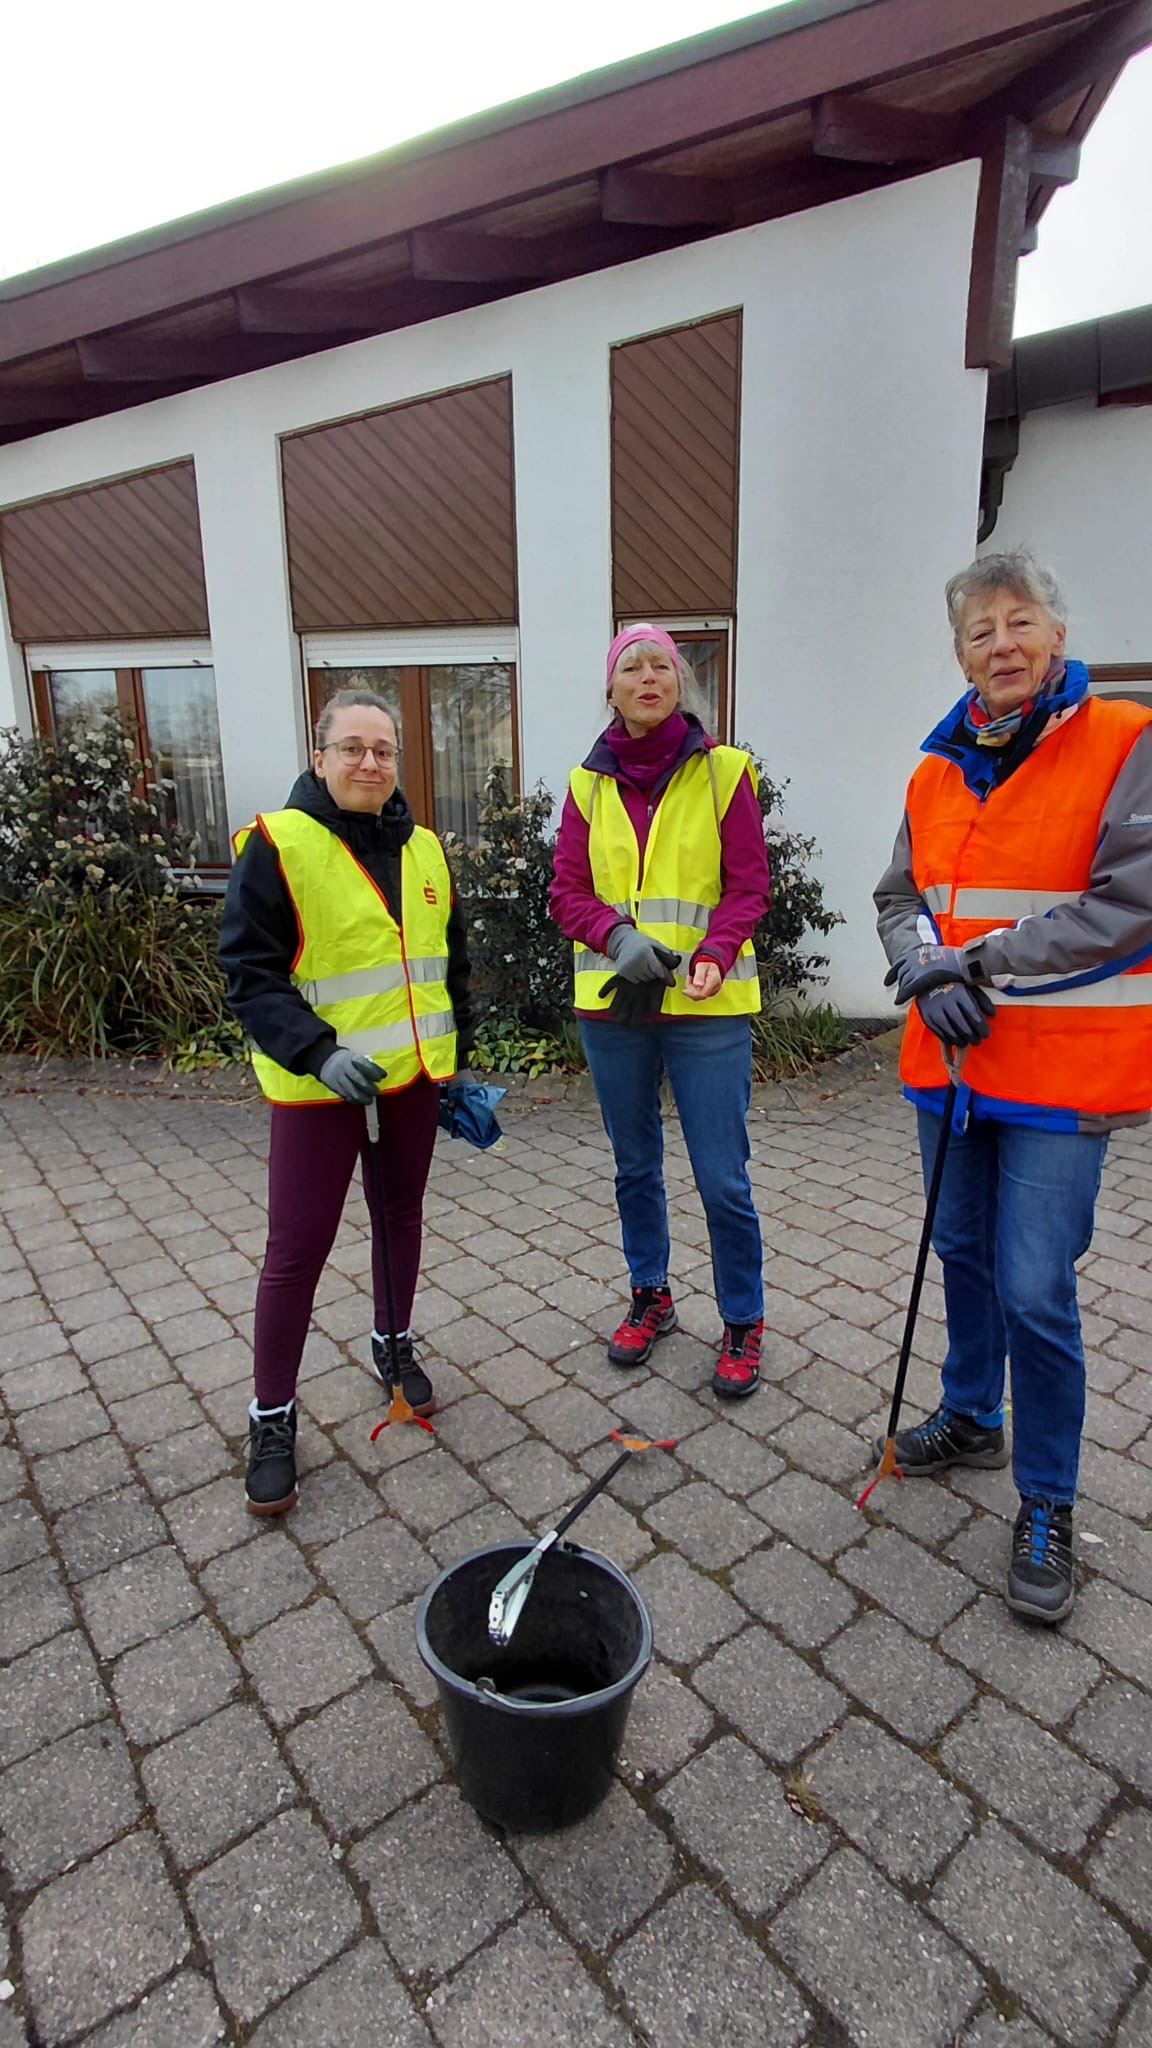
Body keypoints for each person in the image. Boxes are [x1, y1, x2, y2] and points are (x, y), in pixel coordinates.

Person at [874, 550, 1152, 1624]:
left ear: (1057, 636)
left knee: (1036, 1287)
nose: (1002, 643)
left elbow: (1128, 904)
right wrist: (919, 966)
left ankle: (1047, 1500)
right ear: (961, 656)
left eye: (1020, 621)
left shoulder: (1124, 740)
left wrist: (970, 964)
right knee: (963, 1252)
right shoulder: (934, 768)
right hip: (948, 1069)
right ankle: (970, 1416)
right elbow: (899, 895)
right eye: (981, 630)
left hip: (1060, 1077)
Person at [219, 689, 473, 1514]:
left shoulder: (425, 849)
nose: (371, 762)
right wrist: (319, 1052)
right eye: (353, 748)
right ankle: (272, 1416)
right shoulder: (278, 844)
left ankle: (392, 1342)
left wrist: (456, 1065)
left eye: (384, 750)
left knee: (400, 1216)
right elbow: (249, 975)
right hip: (317, 1088)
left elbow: (450, 968)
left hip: (411, 1084)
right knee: (297, 1247)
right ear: (320, 756)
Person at [549, 624, 771, 1398]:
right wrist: (614, 936)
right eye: (632, 667)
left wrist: (715, 952)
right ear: (611, 690)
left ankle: (743, 1320)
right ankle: (652, 1296)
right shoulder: (586, 785)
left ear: (679, 683)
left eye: (662, 666)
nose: (649, 677)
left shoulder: (724, 772)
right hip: (614, 1004)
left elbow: (748, 885)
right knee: (634, 1166)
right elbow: (567, 892)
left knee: (723, 1178)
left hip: (709, 1006)